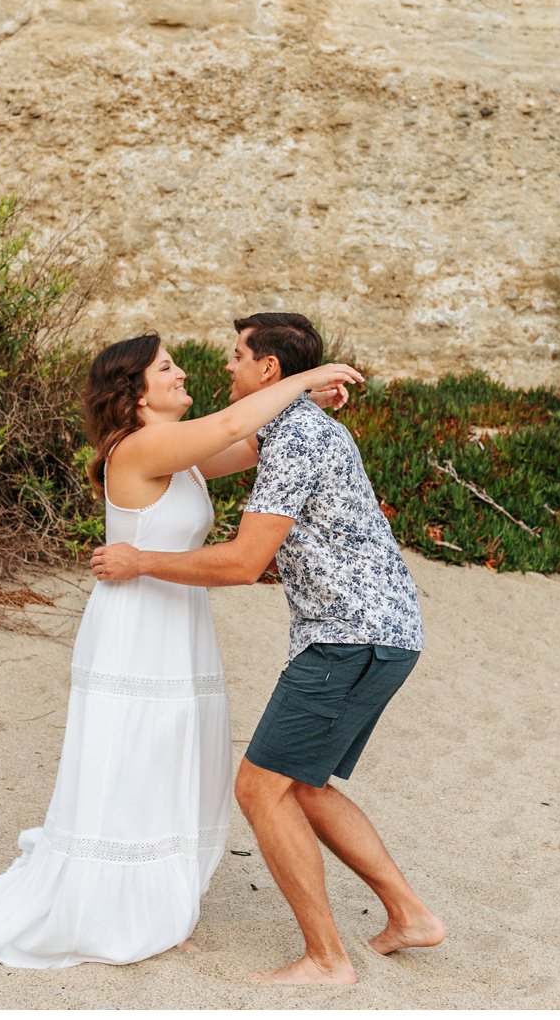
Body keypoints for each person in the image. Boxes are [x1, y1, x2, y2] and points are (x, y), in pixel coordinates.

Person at [0, 333, 362, 970]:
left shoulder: (181, 453)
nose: (181, 371)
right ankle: (119, 905)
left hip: (174, 621)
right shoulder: (143, 446)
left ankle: (154, 897)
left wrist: (310, 405)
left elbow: (252, 443)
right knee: (137, 754)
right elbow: (231, 421)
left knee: (168, 754)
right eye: (166, 367)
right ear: (134, 393)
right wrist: (304, 379)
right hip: (138, 627)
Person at [91, 312, 443, 989]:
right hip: (376, 631)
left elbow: (245, 562)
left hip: (350, 636)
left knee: (259, 788)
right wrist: (307, 393)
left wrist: (140, 560)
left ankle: (326, 959)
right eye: (171, 366)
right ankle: (410, 915)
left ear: (268, 369)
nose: (220, 366)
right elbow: (228, 438)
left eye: (234, 354)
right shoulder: (289, 426)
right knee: (301, 785)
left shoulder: (296, 438)